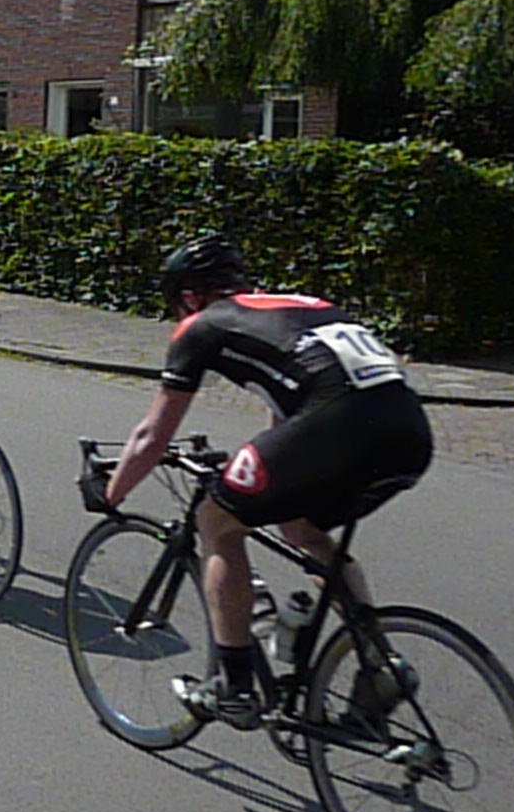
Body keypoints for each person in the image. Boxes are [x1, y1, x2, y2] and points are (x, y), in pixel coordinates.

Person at [90, 235, 434, 729]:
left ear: (189, 296)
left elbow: (152, 435)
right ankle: (379, 661)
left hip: (336, 423)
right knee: (301, 529)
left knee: (217, 521)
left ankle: (232, 685)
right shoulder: (303, 304)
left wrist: (110, 494)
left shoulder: (200, 325)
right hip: (407, 429)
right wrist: (260, 468)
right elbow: (290, 408)